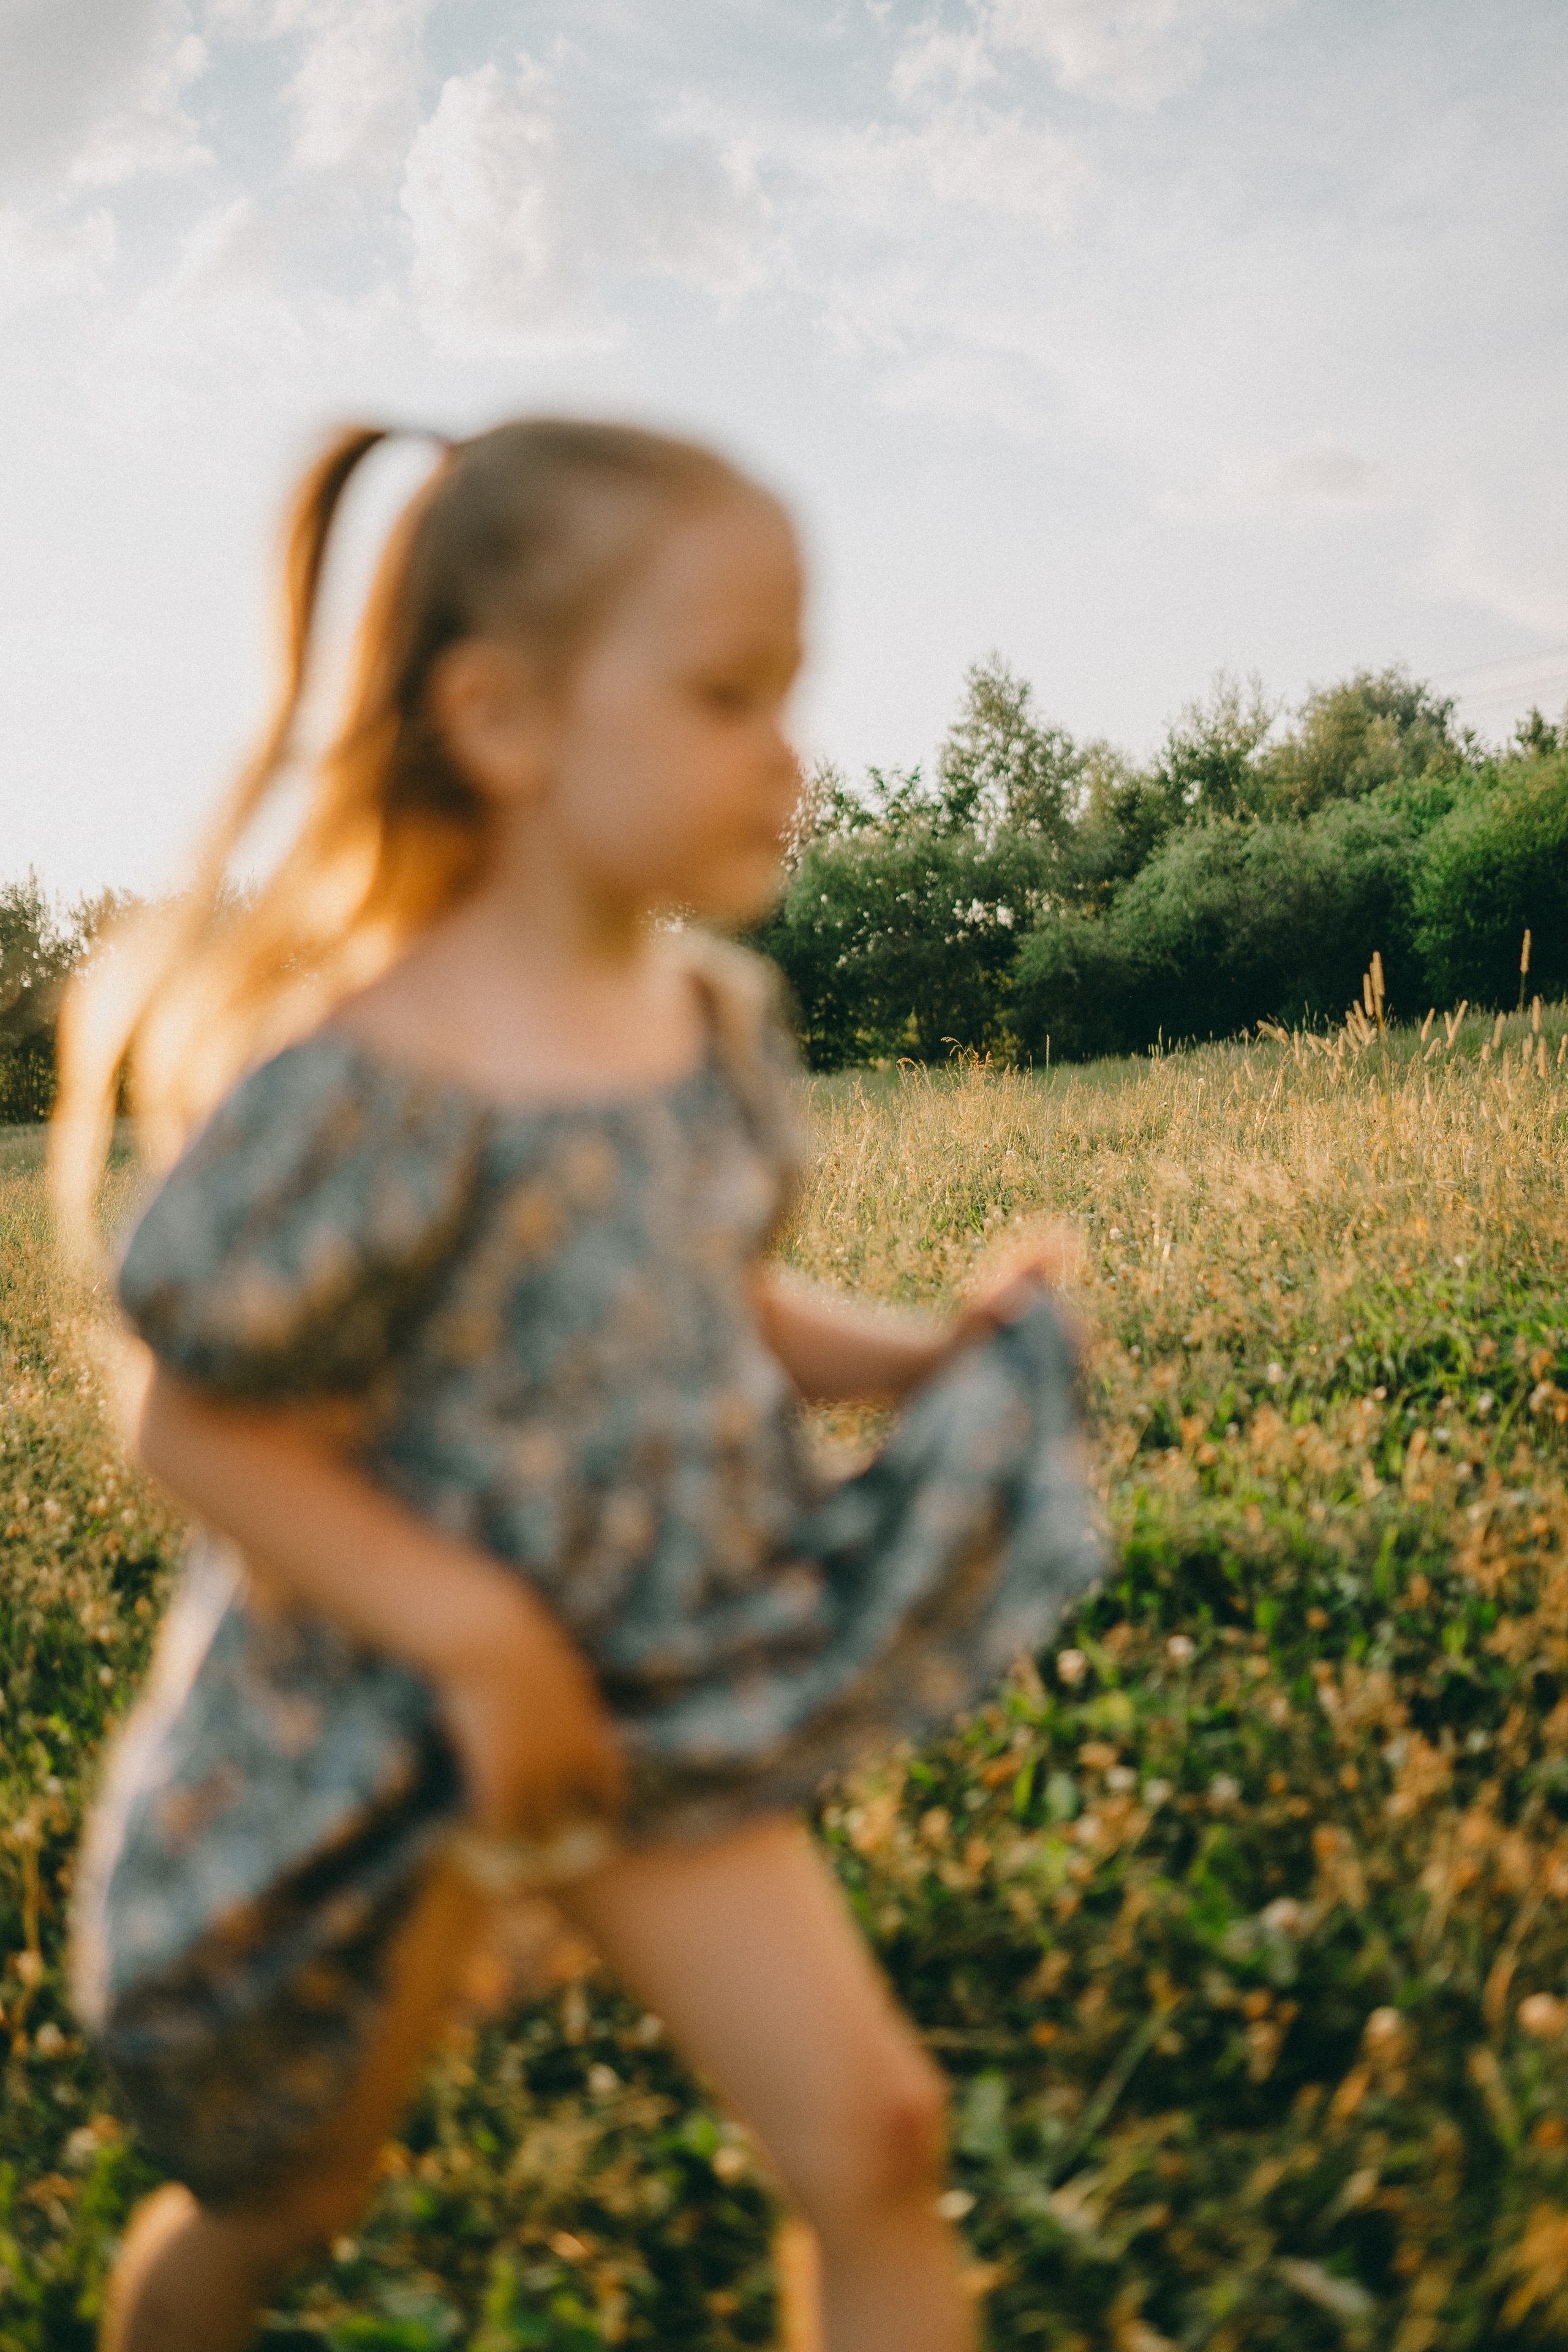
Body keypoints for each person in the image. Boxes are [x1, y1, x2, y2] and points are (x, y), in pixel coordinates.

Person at [55, 418, 1101, 2352]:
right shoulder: (374, 1077)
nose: (787, 754)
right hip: (381, 1721)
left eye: (793, 694)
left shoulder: (707, 1024)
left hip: (656, 1686)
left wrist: (928, 1351)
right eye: (727, 695)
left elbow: (718, 1301)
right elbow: (192, 1417)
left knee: (874, 2137)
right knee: (289, 2190)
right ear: (505, 721)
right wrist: (472, 1635)